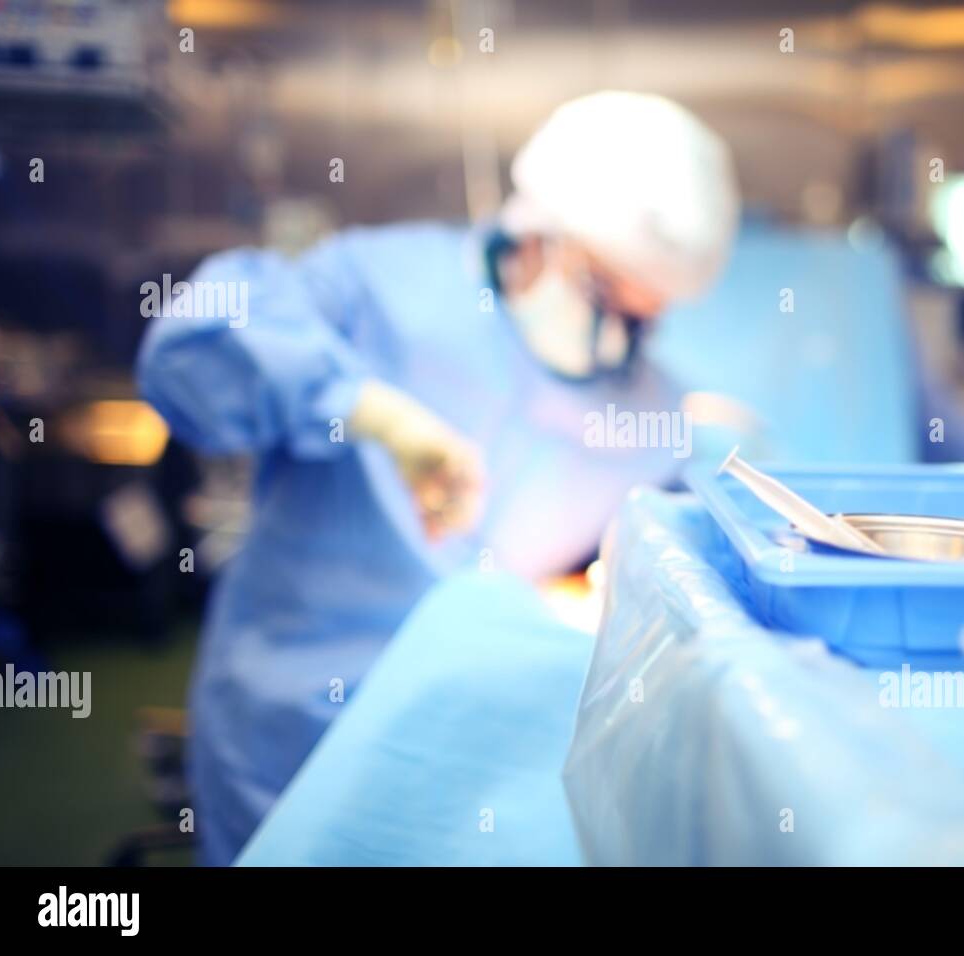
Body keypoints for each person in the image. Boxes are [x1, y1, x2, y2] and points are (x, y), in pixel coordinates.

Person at [137, 91, 740, 865]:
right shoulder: (378, 289)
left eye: (643, 315)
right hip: (294, 733)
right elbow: (193, 348)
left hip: (473, 759)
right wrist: (370, 409)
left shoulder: (651, 406)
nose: (620, 333)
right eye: (604, 296)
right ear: (534, 236)